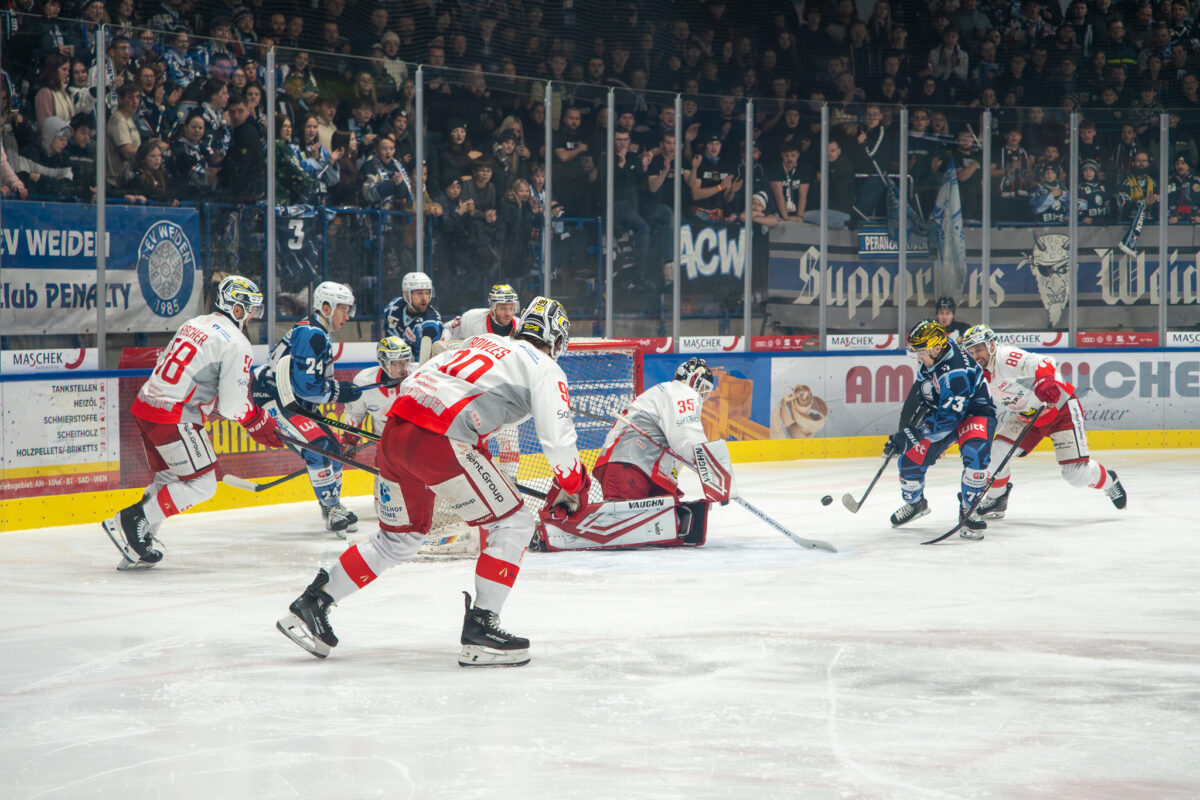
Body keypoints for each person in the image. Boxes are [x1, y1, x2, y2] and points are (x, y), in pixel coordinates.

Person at [276, 297, 589, 667]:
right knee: (515, 521)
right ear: (557, 340)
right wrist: (575, 484)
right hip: (442, 440)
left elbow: (423, 382)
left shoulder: (479, 342)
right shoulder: (545, 367)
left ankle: (313, 604)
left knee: (398, 540)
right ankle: (482, 628)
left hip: (395, 434)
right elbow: (558, 442)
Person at [102, 277, 283, 569]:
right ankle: (133, 519)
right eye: (250, 310)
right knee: (203, 485)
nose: (252, 316)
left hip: (147, 405)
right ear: (236, 309)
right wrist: (257, 421)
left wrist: (229, 410)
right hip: (174, 415)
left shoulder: (195, 323)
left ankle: (137, 544)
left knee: (168, 479)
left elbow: (202, 386)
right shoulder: (237, 343)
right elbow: (234, 405)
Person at [961, 324, 1127, 519]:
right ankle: (997, 499)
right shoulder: (976, 373)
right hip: (1027, 417)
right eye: (971, 351)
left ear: (991, 345)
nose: (975, 356)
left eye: (978, 349)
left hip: (1060, 409)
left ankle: (1109, 481)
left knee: (1076, 475)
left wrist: (1044, 382)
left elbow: (1044, 362)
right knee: (995, 453)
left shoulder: (1005, 357)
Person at [558, 357, 720, 549]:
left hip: (645, 470)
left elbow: (679, 444)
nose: (703, 395)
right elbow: (688, 436)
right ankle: (560, 526)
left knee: (670, 528)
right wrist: (713, 467)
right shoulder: (681, 392)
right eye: (704, 388)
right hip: (630, 465)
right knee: (621, 528)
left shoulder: (666, 394)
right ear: (694, 380)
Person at [253, 281, 363, 535]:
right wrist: (339, 391)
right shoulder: (311, 333)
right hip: (274, 396)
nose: (347, 316)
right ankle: (332, 508)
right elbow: (306, 386)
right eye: (343, 310)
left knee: (334, 449)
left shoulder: (318, 331)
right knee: (318, 447)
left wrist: (337, 390)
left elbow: (308, 386)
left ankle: (331, 507)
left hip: (293, 399)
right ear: (326, 308)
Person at [886, 319, 996, 538]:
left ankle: (969, 510)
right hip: (945, 410)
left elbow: (948, 421)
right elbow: (919, 392)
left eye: (920, 352)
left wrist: (914, 435)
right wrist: (905, 431)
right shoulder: (935, 354)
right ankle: (916, 504)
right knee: (909, 461)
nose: (918, 357)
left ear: (936, 348)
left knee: (975, 455)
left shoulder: (956, 373)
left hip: (975, 413)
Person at [383, 271, 447, 351]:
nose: (424, 298)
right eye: (419, 294)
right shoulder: (393, 307)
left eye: (427, 293)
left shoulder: (430, 324)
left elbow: (429, 357)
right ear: (406, 295)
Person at [445, 283, 520, 340]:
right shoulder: (470, 319)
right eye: (503, 308)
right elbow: (448, 328)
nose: (508, 314)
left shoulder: (521, 327)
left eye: (511, 308)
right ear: (491, 307)